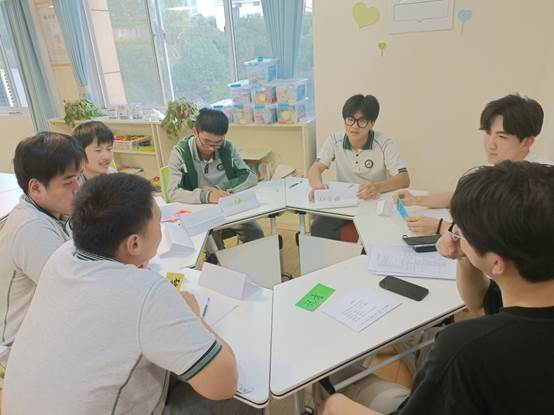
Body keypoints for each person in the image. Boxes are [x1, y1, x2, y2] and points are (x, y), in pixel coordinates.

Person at [3, 173, 256, 414]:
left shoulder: (62, 255)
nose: (161, 230)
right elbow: (224, 384)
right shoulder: (147, 293)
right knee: (245, 400)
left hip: (20, 403)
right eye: (159, 223)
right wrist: (194, 315)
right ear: (134, 243)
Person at [321, 161, 554, 415]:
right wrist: (465, 256)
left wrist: (336, 406)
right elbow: (479, 304)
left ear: (497, 263)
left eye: (463, 230)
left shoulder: (464, 348)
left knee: (334, 381)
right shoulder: (528, 289)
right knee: (426, 341)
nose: (456, 233)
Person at [394, 94, 546, 235]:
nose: (490, 144)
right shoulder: (505, 166)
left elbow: (501, 236)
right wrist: (416, 200)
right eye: (488, 133)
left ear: (527, 142)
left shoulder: (537, 184)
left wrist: (442, 227)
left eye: (501, 137)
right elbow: (465, 197)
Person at [0, 132, 83, 349]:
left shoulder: (57, 211)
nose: (78, 187)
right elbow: (76, 291)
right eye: (68, 181)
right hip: (20, 347)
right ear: (36, 188)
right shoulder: (31, 229)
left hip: (49, 327)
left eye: (79, 176)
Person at [308, 94, 409, 240]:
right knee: (318, 227)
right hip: (345, 202)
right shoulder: (335, 140)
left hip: (373, 202)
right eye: (350, 119)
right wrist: (317, 186)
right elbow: (315, 168)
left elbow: (404, 179)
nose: (354, 126)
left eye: (362, 121)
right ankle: (339, 253)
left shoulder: (383, 142)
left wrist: (377, 187)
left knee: (380, 232)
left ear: (372, 123)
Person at [168, 108, 263, 248]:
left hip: (227, 204)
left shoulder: (227, 147)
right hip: (200, 210)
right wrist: (207, 196)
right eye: (206, 141)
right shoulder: (180, 152)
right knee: (214, 246)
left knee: (255, 233)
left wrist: (220, 189)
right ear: (195, 132)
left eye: (217, 142)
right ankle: (217, 261)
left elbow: (249, 176)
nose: (212, 148)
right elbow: (173, 193)